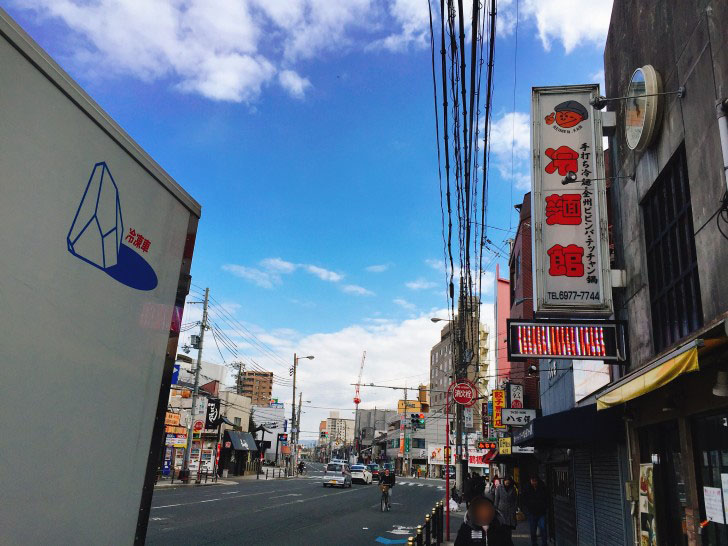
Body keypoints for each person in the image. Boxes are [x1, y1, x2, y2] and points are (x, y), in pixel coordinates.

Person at [521, 476, 548, 546]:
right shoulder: (527, 488)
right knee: (533, 529)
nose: (534, 483)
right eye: (532, 481)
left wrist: (544, 507)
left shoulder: (542, 487)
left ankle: (544, 543)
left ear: (537, 481)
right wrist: (527, 509)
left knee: (543, 528)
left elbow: (546, 498)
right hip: (531, 512)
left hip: (541, 512)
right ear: (530, 481)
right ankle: (534, 543)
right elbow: (524, 499)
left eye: (535, 481)